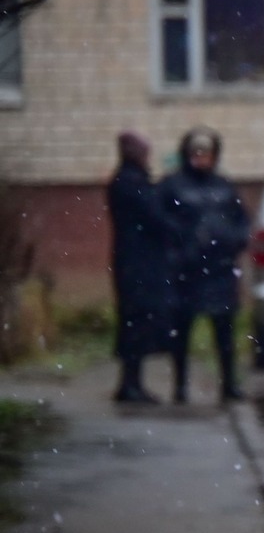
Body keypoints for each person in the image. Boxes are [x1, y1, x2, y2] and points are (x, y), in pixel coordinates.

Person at [159, 127, 250, 404]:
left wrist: (235, 240)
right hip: (187, 273)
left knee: (225, 333)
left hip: (220, 270)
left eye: (206, 154)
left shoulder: (223, 186)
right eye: (196, 153)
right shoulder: (173, 186)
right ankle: (180, 386)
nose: (201, 159)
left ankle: (229, 385)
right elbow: (161, 223)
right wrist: (182, 247)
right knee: (181, 333)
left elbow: (241, 218)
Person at [106, 132, 180, 403]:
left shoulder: (125, 181)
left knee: (133, 322)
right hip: (138, 265)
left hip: (132, 262)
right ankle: (130, 385)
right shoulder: (131, 183)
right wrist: (178, 230)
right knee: (137, 323)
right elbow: (154, 217)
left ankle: (131, 382)